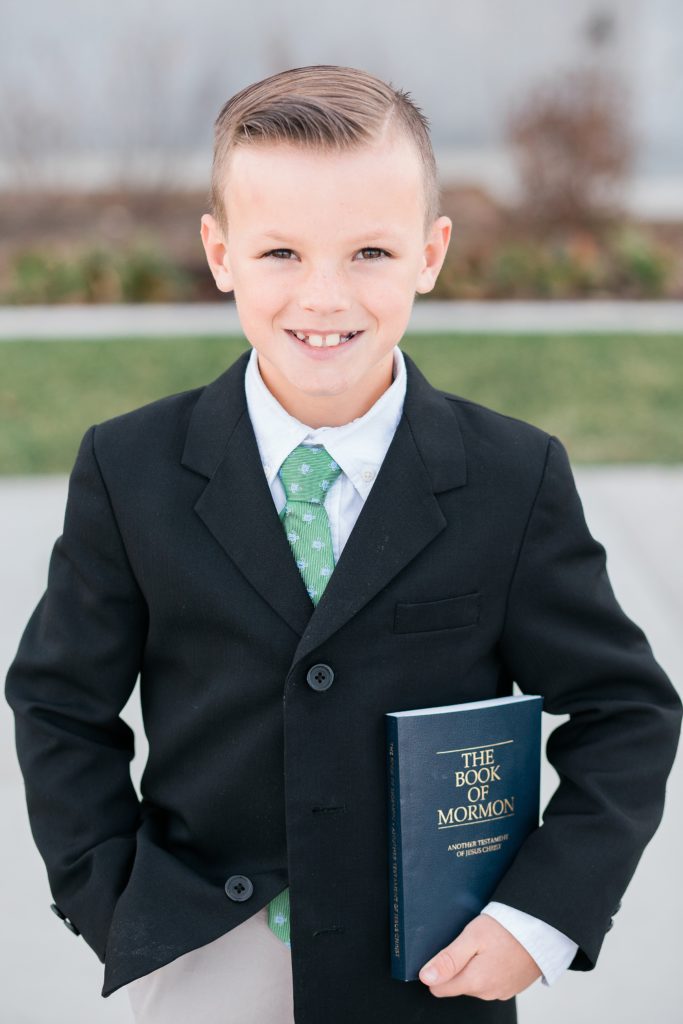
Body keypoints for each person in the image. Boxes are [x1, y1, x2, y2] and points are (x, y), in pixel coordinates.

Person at [5, 64, 681, 1024]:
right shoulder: (130, 468)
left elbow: (624, 710)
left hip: (432, 966)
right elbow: (58, 700)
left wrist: (538, 918)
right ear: (220, 251)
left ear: (430, 252)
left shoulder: (510, 475)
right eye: (281, 252)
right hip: (207, 956)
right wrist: (110, 903)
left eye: (369, 251)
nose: (324, 297)